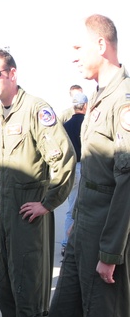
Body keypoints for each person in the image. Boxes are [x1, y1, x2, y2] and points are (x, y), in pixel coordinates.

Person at [4, 14, 130, 317]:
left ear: (101, 45)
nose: (72, 56)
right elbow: (93, 173)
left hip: (108, 237)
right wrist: (76, 224)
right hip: (86, 230)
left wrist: (111, 253)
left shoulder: (124, 100)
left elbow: (127, 185)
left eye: (78, 48)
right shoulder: (98, 97)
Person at [0, 49, 75, 317]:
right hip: (6, 218)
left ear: (12, 74)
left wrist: (48, 203)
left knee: (30, 298)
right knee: (6, 291)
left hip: (29, 220)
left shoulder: (37, 110)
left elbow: (64, 159)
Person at [60, 90, 88, 255]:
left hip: (71, 169)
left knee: (71, 208)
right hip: (85, 167)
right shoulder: (88, 123)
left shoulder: (65, 126)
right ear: (85, 106)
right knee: (87, 207)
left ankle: (66, 243)